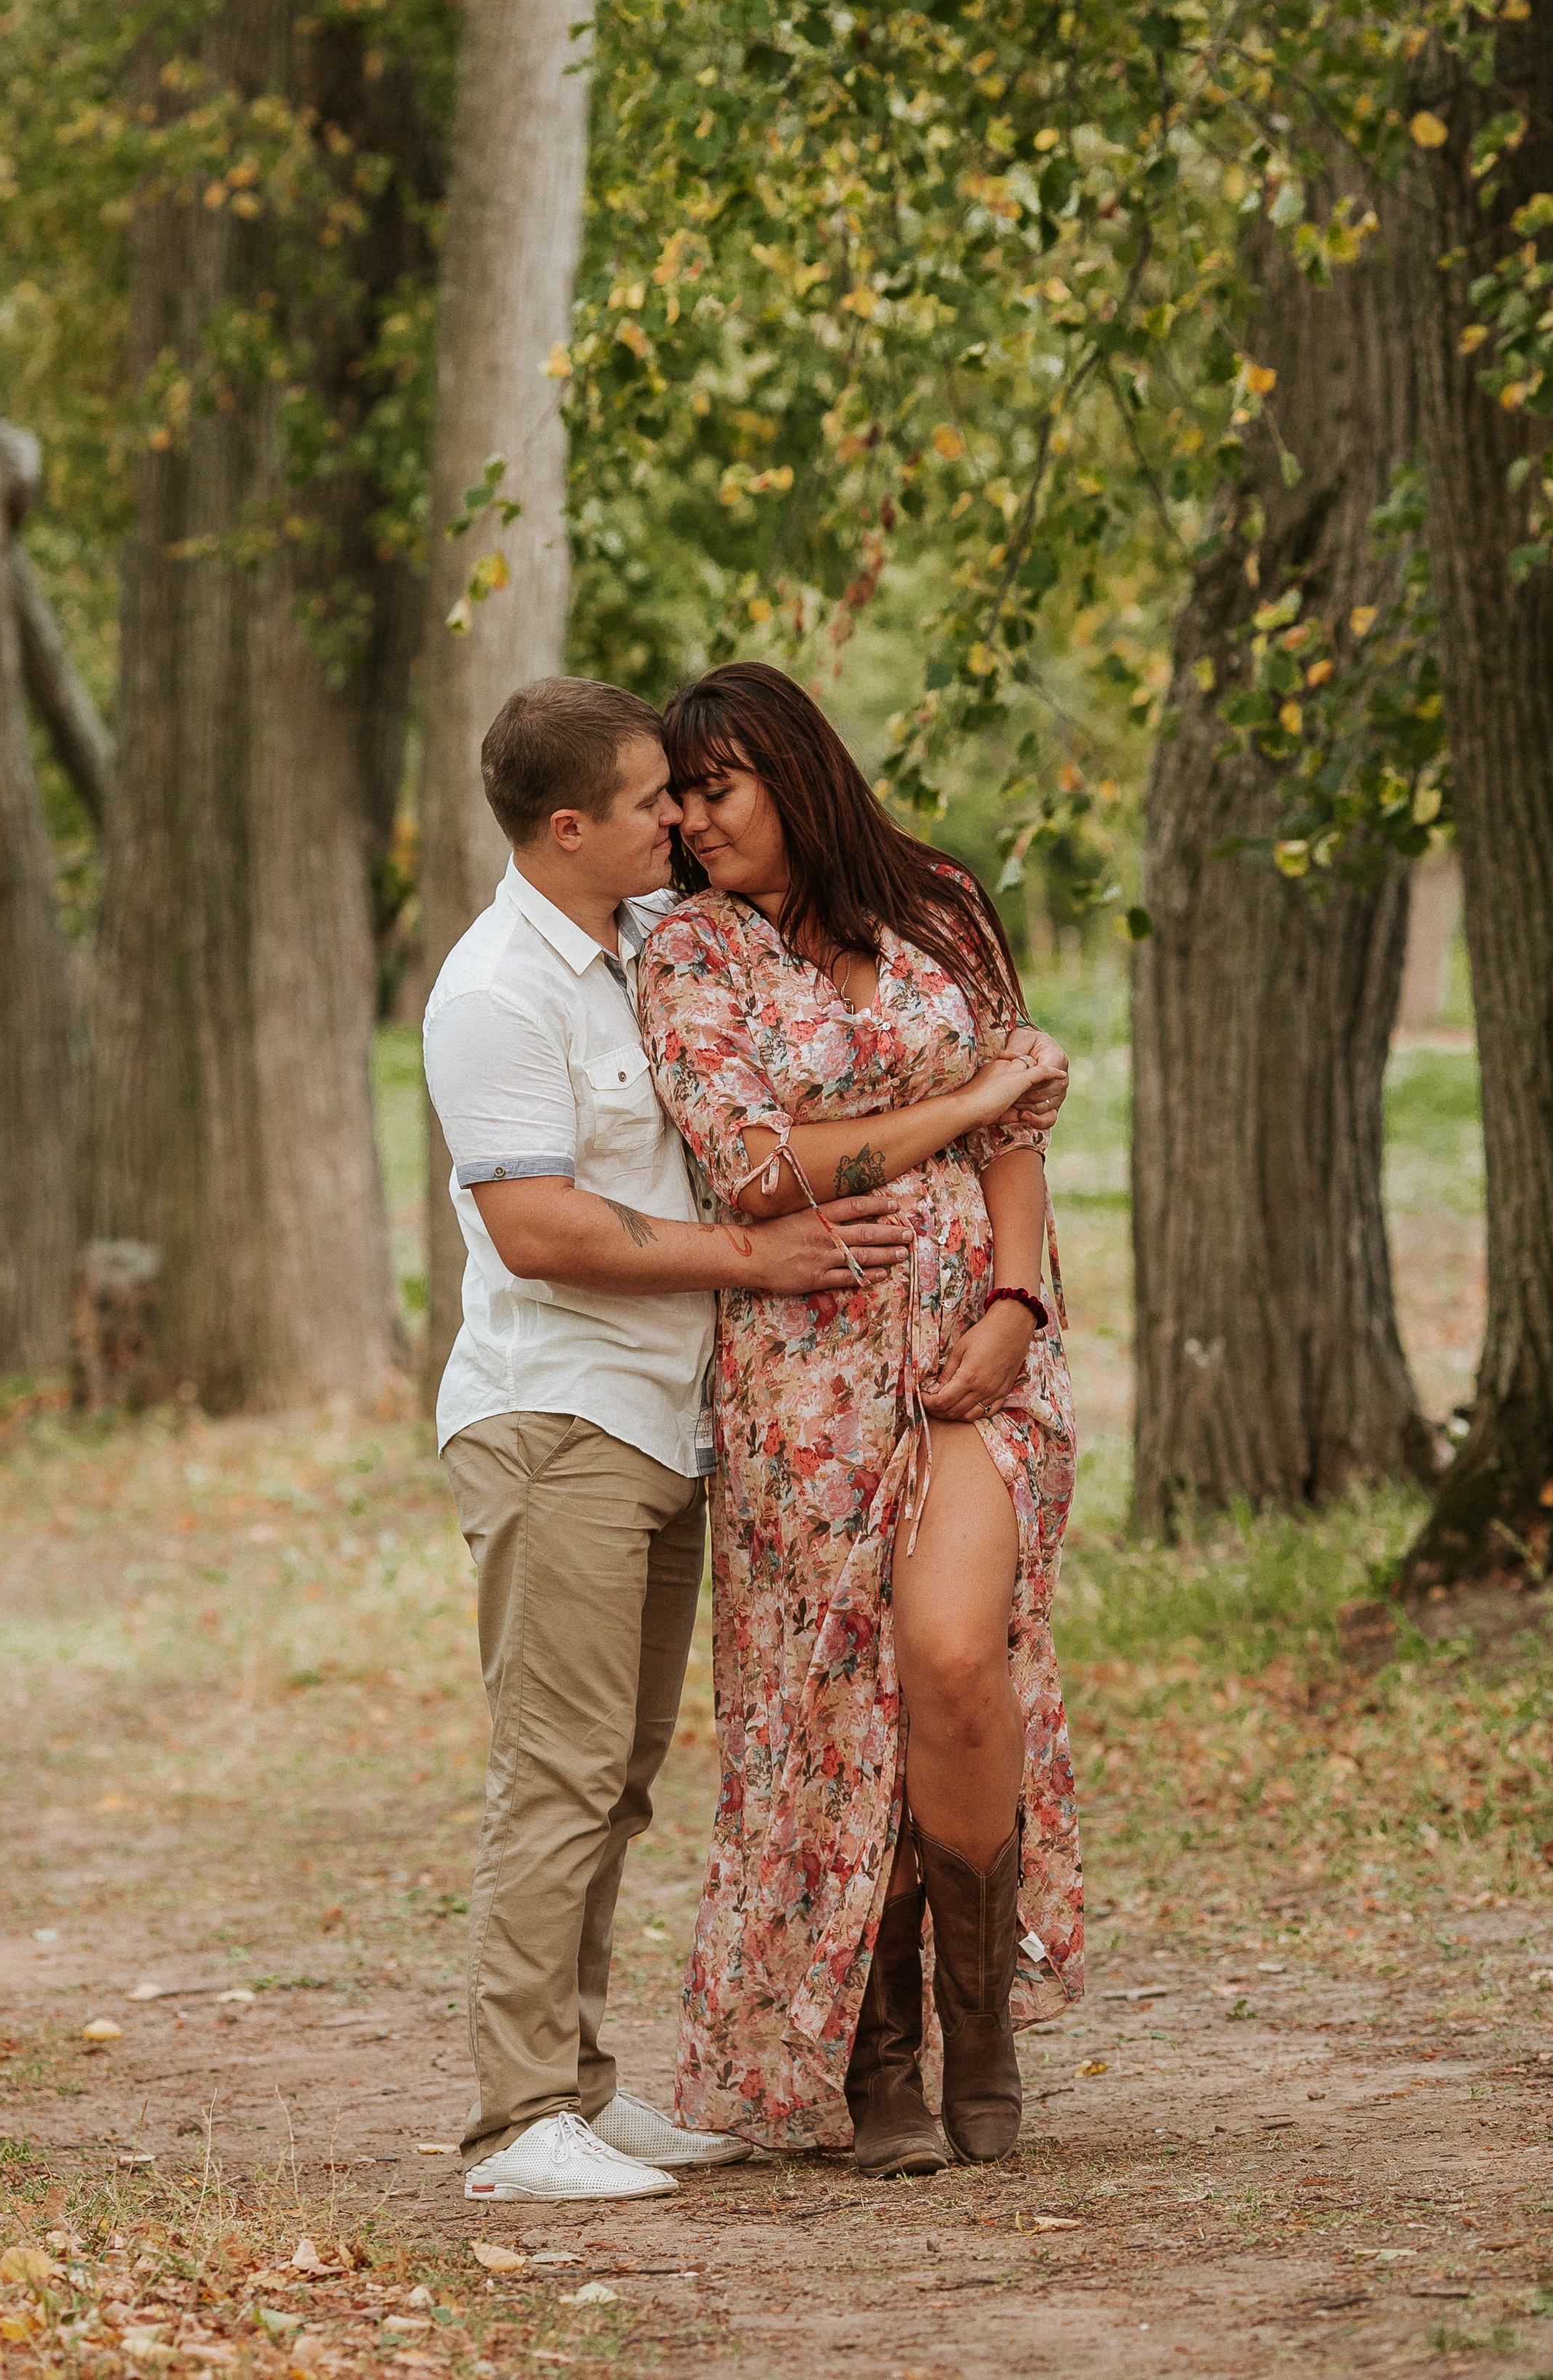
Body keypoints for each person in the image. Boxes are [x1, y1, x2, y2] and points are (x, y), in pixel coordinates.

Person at [423, 675, 912, 2204]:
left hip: (659, 1422)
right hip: (552, 1418)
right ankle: (514, 2128)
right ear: (567, 828)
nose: (680, 819)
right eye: (650, 801)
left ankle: (577, 2087)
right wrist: (751, 1264)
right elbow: (536, 1225)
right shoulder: (492, 991)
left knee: (616, 1776)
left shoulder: (643, 945)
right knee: (554, 1774)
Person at [636, 662, 1083, 2174]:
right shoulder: (687, 950)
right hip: (803, 1386)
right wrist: (953, 1108)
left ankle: (979, 2033)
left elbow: (1025, 1131)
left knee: (951, 1660)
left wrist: (1015, 1309)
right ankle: (870, 2056)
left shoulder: (939, 903)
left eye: (717, 790)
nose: (692, 826)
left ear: (792, 771)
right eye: (677, 802)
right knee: (835, 1703)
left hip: (976, 1353)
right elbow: (753, 1168)